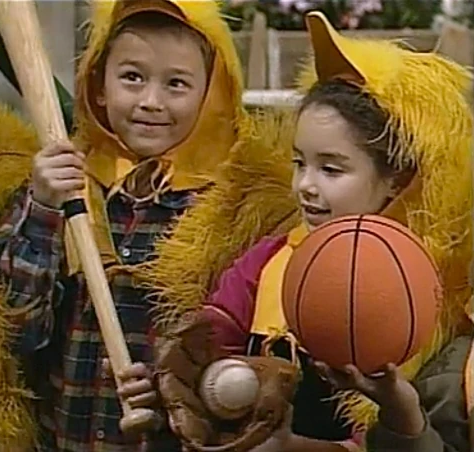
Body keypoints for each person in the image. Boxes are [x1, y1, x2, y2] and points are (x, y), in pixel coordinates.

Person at [0, 0, 250, 451]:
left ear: (210, 96)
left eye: (176, 84)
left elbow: (233, 361)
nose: (151, 101)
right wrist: (43, 206)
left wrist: (171, 385)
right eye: (132, 77)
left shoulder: (230, 214)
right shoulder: (61, 186)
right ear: (99, 85)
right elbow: (15, 333)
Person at [149, 11, 474, 452]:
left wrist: (291, 447)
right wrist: (178, 376)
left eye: (331, 169)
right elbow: (210, 338)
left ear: (396, 180)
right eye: (299, 163)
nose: (305, 184)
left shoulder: (426, 296)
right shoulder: (269, 260)